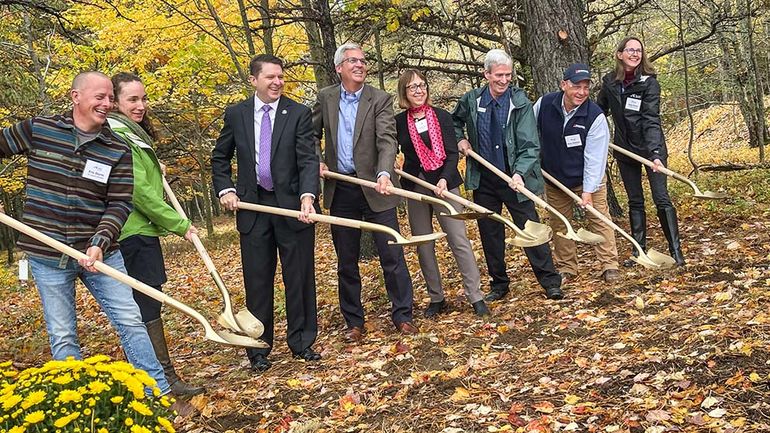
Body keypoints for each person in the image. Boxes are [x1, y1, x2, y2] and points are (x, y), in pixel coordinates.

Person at [0, 71, 171, 395]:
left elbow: (119, 204)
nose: (107, 103)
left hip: (101, 253)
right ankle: (76, 405)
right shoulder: (41, 129)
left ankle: (157, 396)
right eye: (100, 97)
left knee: (131, 321)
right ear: (75, 96)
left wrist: (99, 242)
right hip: (47, 255)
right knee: (63, 334)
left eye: (110, 97)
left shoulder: (116, 149)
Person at [212, 54, 320, 373]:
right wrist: (226, 190)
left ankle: (302, 342)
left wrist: (307, 197)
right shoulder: (236, 114)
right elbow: (220, 159)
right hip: (253, 210)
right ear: (253, 80)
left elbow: (308, 160)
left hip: (292, 208)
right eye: (270, 77)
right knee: (257, 281)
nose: (277, 82)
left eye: (280, 76)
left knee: (298, 277)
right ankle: (258, 348)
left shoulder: (298, 113)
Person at [313, 43, 417, 342]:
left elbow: (387, 140)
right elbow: (311, 133)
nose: (359, 65)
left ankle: (403, 315)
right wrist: (317, 160)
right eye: (352, 61)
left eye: (362, 60)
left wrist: (385, 173)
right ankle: (354, 322)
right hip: (341, 187)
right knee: (346, 260)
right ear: (339, 68)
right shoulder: (326, 98)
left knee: (392, 254)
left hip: (376, 187)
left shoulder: (379, 99)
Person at [108, 72, 204, 396]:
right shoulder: (118, 134)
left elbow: (142, 178)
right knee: (144, 308)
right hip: (130, 233)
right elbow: (138, 192)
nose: (140, 106)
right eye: (132, 100)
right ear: (115, 102)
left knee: (149, 305)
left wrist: (153, 166)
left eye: (143, 99)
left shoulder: (132, 135)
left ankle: (161, 381)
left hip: (140, 231)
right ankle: (160, 384)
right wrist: (180, 224)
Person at [452, 49, 564, 301]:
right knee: (490, 232)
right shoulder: (472, 100)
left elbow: (530, 145)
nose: (504, 80)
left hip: (515, 179)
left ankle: (550, 281)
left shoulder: (520, 103)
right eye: (499, 75)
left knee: (530, 228)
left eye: (508, 75)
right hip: (484, 179)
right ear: (486, 74)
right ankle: (499, 284)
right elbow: (454, 122)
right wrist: (460, 140)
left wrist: (520, 174)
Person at [394, 69, 490, 318]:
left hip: (445, 185)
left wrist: (446, 179)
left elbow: (451, 153)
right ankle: (436, 297)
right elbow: (388, 148)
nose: (419, 90)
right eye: (413, 87)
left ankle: (476, 295)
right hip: (416, 187)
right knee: (424, 244)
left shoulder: (442, 116)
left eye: (422, 85)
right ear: (404, 92)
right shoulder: (398, 122)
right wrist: (393, 166)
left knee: (459, 240)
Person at [596, 37, 685, 266]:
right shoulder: (609, 82)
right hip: (624, 150)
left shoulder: (649, 83)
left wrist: (655, 153)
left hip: (650, 149)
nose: (635, 54)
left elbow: (651, 120)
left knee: (661, 198)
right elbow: (598, 112)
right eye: (630, 50)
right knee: (635, 200)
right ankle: (639, 251)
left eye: (638, 51)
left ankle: (676, 252)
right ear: (619, 54)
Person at [533, 64, 620, 284]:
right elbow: (529, 134)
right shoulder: (544, 105)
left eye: (585, 87)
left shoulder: (594, 116)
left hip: (587, 179)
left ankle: (609, 265)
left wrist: (588, 191)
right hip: (554, 179)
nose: (581, 92)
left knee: (599, 220)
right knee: (561, 224)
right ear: (564, 85)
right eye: (576, 86)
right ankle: (567, 268)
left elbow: (595, 158)